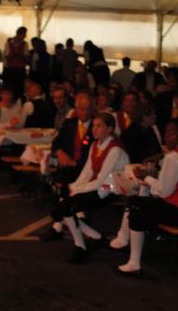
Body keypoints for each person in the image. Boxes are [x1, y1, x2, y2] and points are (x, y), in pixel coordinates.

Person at [47, 112, 129, 263]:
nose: (94, 129)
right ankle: (90, 240)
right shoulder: (95, 145)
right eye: (94, 126)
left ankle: (84, 244)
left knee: (67, 206)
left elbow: (102, 181)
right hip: (99, 186)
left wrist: (77, 190)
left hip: (111, 189)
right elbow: (87, 172)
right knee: (66, 202)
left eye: (99, 126)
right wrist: (74, 187)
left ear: (110, 129)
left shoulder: (115, 149)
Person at [114, 119, 178, 276]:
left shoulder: (174, 157)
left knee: (136, 204)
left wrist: (146, 178)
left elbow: (162, 192)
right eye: (166, 133)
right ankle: (125, 240)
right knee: (142, 202)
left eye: (173, 133)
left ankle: (133, 262)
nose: (167, 137)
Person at [40, 92, 95, 241]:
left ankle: (60, 225)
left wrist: (75, 163)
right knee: (60, 183)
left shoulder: (97, 126)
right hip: (69, 169)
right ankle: (65, 223)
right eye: (82, 109)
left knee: (66, 186)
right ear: (76, 109)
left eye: (88, 109)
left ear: (92, 109)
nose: (85, 112)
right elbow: (56, 143)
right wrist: (60, 152)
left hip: (89, 170)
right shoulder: (69, 123)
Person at [3, 26, 28, 97]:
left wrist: (20, 55)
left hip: (20, 69)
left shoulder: (25, 44)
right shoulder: (8, 43)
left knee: (19, 89)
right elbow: (5, 56)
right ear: (19, 34)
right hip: (10, 69)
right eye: (24, 34)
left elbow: (26, 57)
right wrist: (13, 55)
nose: (25, 36)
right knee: (10, 88)